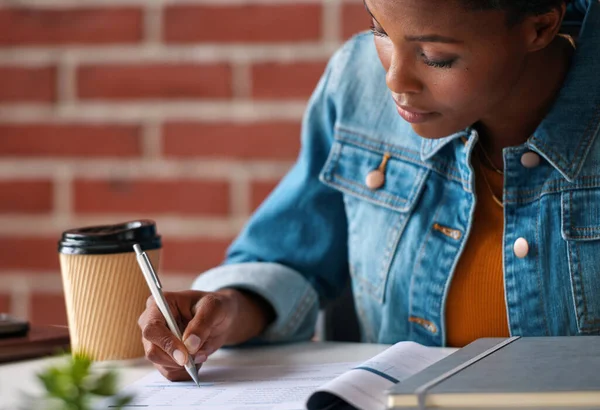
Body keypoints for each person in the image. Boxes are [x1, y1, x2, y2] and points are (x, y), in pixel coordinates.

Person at [138, 0, 598, 381]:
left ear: (540, 26)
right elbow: (292, 257)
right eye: (379, 29)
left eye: (435, 56)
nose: (394, 81)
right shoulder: (355, 79)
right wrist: (228, 309)